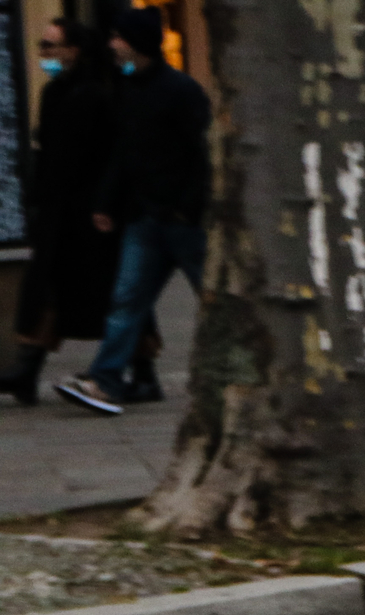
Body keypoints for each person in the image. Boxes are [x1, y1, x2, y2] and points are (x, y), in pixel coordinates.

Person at [54, 7, 209, 417]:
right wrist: (107, 202)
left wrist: (189, 207)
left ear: (136, 41)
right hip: (145, 215)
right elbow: (124, 152)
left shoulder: (180, 91)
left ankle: (241, 376)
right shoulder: (130, 90)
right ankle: (104, 381)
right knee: (126, 299)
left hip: (182, 219)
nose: (111, 44)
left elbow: (200, 154)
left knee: (213, 298)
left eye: (119, 37)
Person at [2, 18, 120, 405]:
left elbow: (105, 155)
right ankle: (27, 369)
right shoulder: (56, 93)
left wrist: (103, 202)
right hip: (57, 210)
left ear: (74, 51)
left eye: (51, 46)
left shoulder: (97, 95)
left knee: (106, 289)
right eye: (43, 46)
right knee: (46, 288)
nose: (44, 55)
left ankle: (141, 365)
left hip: (89, 213)